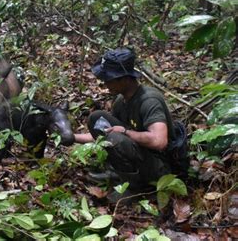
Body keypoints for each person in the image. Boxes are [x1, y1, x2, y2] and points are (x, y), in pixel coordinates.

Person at [74, 48, 176, 202]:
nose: (105, 83)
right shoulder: (121, 101)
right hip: (139, 154)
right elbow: (106, 132)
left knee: (116, 137)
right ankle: (119, 173)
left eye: (109, 79)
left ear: (124, 79)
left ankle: (135, 188)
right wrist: (72, 137)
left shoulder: (149, 100)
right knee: (97, 119)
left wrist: (126, 132)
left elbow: (159, 141)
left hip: (160, 167)